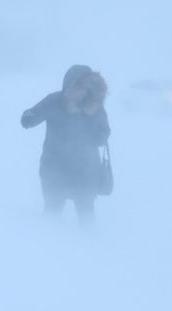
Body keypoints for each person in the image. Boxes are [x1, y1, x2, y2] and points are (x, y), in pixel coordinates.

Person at [21, 65, 110, 224]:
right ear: (68, 86)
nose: (82, 92)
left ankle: (90, 246)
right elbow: (34, 113)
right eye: (78, 87)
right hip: (55, 169)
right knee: (52, 216)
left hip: (86, 172)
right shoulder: (55, 101)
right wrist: (29, 117)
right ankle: (49, 246)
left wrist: (100, 136)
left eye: (85, 88)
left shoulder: (95, 106)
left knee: (86, 219)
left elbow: (104, 132)